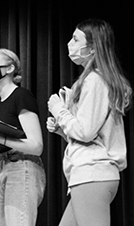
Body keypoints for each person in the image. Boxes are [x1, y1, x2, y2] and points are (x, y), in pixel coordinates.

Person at [47, 19, 132, 226]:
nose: (70, 43)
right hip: (91, 174)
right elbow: (90, 135)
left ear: (92, 48)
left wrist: (59, 109)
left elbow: (85, 132)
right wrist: (62, 130)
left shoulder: (95, 80)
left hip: (92, 173)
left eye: (76, 39)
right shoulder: (99, 79)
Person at [0, 48, 46, 226]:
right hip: (2, 168)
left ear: (9, 68)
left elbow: (36, 146)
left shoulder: (20, 96)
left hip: (21, 166)